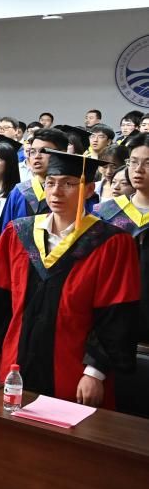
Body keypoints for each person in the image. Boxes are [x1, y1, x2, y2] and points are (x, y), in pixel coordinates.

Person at [0, 150, 138, 409]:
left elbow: (116, 312)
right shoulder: (18, 233)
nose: (56, 192)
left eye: (68, 184)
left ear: (89, 190)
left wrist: (95, 372)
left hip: (74, 369)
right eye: (50, 183)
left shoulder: (110, 242)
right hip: (15, 361)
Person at [98, 133, 149, 346]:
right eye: (133, 162)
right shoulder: (107, 212)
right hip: (112, 319)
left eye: (147, 164)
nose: (138, 170)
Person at [0, 127, 69, 227]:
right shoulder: (19, 191)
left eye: (44, 151)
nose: (37, 156)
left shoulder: (73, 191)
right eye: (32, 151)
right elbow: (6, 230)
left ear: (63, 153)